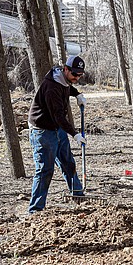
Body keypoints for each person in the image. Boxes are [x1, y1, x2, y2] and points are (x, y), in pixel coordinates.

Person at [28, 55, 88, 214]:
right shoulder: (51, 87)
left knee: (68, 163)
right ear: (65, 69)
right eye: (74, 74)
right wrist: (75, 134)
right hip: (42, 131)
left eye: (79, 75)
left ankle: (78, 195)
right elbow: (59, 116)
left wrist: (77, 94)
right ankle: (35, 210)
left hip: (56, 128)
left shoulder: (64, 80)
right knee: (45, 170)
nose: (76, 77)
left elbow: (68, 87)